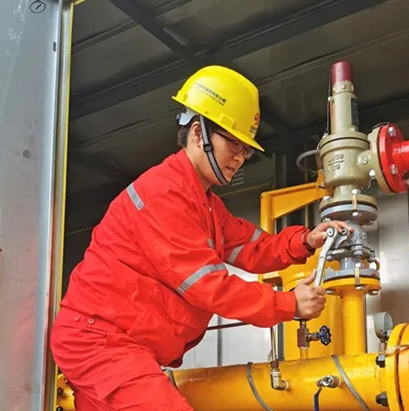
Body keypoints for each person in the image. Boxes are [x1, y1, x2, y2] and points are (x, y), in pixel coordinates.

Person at [50, 66, 351, 411]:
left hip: (120, 345)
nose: (239, 158)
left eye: (246, 150)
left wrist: (306, 240)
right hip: (100, 341)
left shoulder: (207, 206)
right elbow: (208, 286)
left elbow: (253, 247)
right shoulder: (163, 194)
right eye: (233, 143)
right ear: (198, 133)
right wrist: (288, 304)